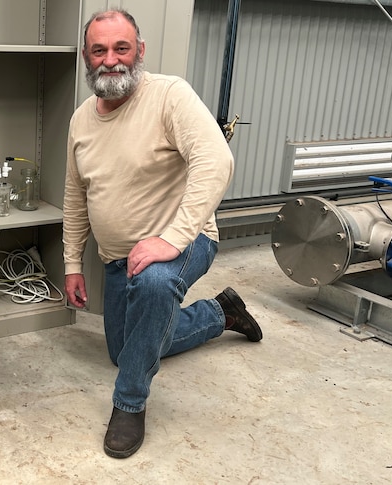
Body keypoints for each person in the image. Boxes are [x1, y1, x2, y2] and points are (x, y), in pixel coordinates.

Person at [63, 9, 263, 460]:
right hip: (117, 258)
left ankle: (129, 403)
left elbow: (216, 161)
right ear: (85, 57)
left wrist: (172, 238)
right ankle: (219, 314)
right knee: (126, 348)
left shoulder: (170, 95)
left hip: (185, 242)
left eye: (121, 48)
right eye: (99, 50)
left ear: (140, 51)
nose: (110, 60)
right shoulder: (81, 119)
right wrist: (73, 264)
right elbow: (75, 195)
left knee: (155, 287)